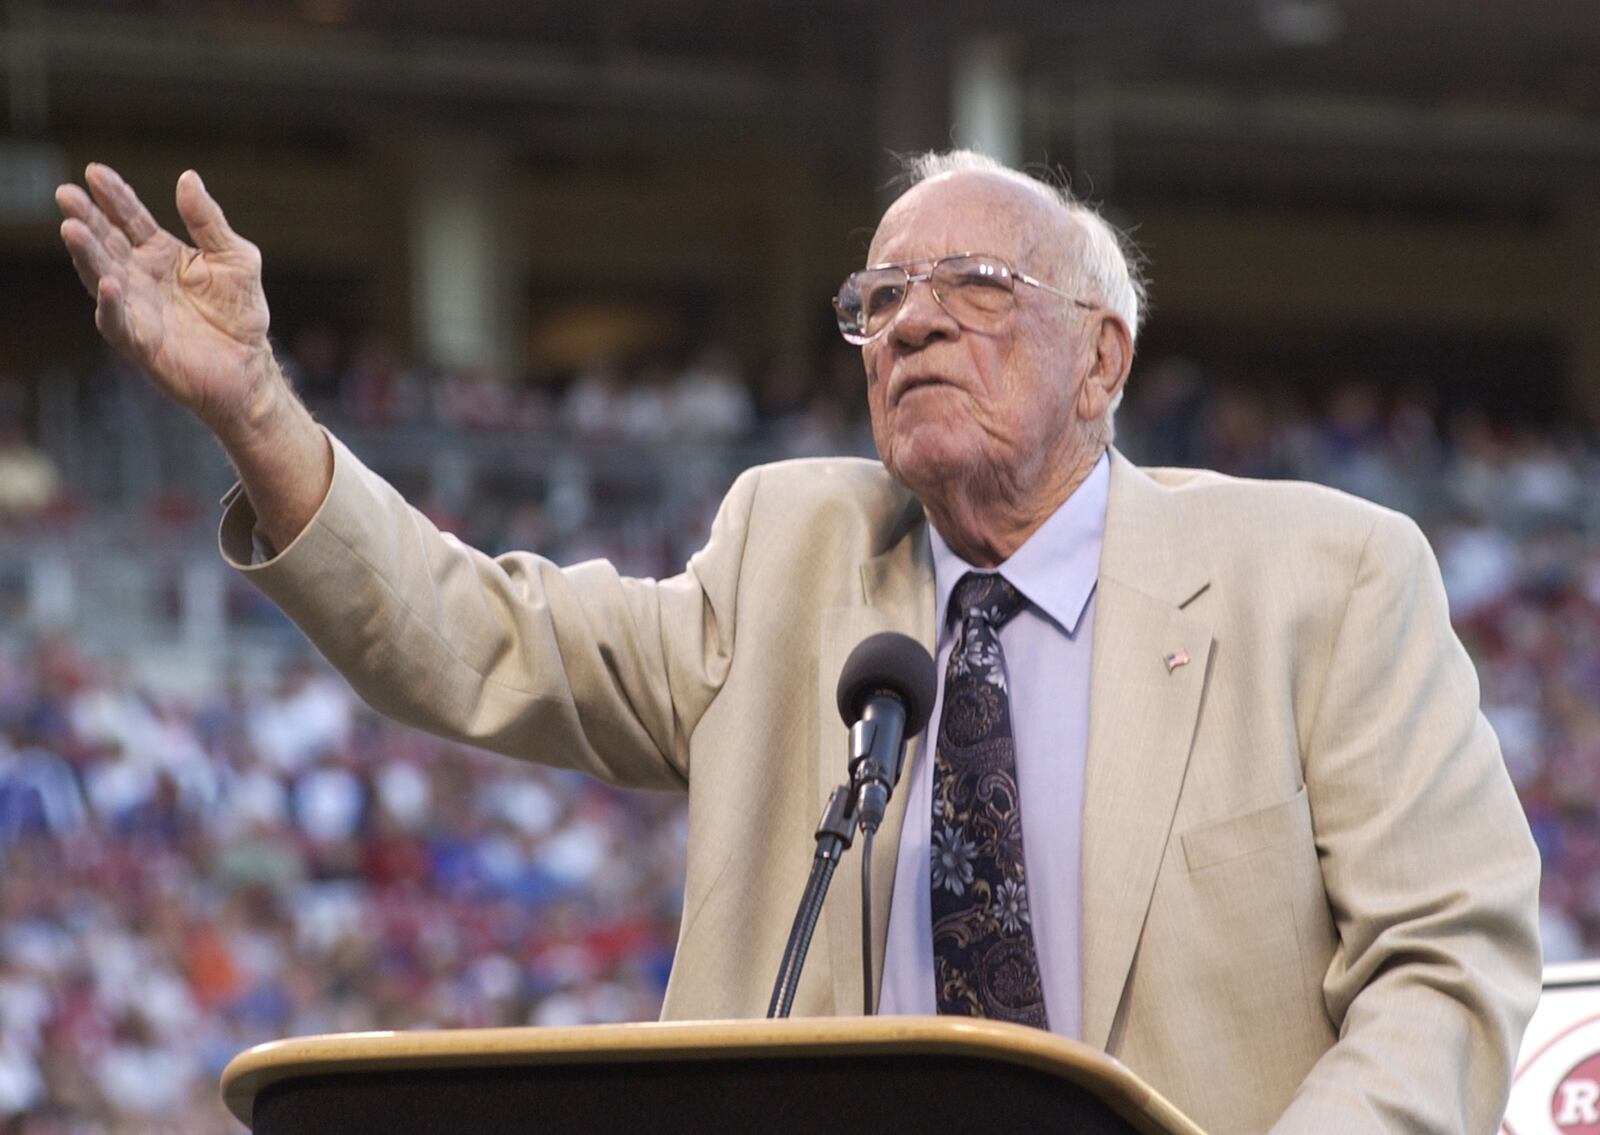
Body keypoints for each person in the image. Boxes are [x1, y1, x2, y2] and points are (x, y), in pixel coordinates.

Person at [57, 152, 1541, 1134]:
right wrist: (258, 413)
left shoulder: (1322, 577)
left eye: (976, 287)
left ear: (1104, 356)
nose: (908, 325)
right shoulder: (788, 555)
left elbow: (1447, 961)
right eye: (878, 299)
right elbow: (475, 637)